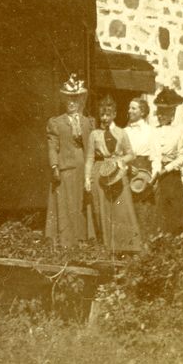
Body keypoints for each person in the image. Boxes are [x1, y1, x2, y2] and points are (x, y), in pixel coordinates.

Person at [85, 95, 142, 253]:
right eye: (102, 114)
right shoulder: (94, 134)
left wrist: (120, 160)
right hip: (100, 174)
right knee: (102, 209)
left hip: (118, 173)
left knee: (121, 209)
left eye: (108, 114)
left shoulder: (122, 133)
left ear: (114, 115)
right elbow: (89, 158)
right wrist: (86, 178)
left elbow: (131, 154)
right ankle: (106, 247)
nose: (105, 118)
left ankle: (126, 246)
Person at [45, 75, 95, 246]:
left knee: (81, 203)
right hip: (65, 167)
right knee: (66, 204)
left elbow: (92, 147)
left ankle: (82, 239)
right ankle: (66, 240)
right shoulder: (56, 122)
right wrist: (54, 166)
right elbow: (52, 146)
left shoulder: (88, 122)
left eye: (75, 99)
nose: (71, 103)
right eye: (68, 100)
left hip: (83, 167)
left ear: (80, 101)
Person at [152, 87, 183, 247]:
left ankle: (180, 249)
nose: (161, 116)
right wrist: (156, 171)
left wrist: (167, 169)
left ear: (172, 114)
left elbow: (182, 156)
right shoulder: (153, 132)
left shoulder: (180, 132)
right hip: (157, 176)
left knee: (175, 211)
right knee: (159, 211)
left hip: (172, 176)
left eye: (165, 112)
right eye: (159, 112)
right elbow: (154, 154)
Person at [123, 96, 160, 241]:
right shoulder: (124, 131)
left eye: (133, 108)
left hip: (145, 174)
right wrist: (126, 167)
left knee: (144, 210)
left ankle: (146, 248)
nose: (129, 111)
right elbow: (120, 155)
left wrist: (154, 178)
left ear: (143, 112)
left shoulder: (151, 131)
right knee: (128, 209)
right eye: (129, 108)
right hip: (128, 172)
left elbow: (156, 156)